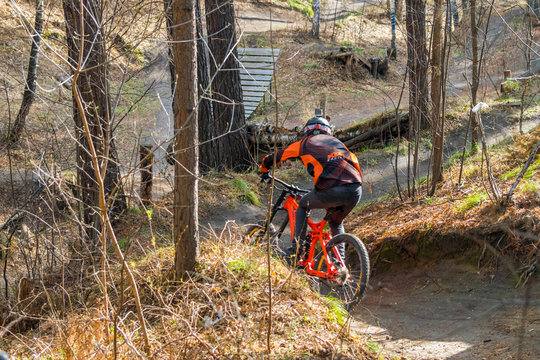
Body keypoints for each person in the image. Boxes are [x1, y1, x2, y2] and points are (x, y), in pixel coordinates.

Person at [259, 116, 363, 259]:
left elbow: (276, 157)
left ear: (307, 131)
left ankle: (297, 251)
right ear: (328, 131)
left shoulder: (304, 144)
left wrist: (264, 170)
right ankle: (340, 265)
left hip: (331, 189)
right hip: (355, 189)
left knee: (302, 205)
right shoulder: (339, 144)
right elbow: (355, 164)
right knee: (336, 223)